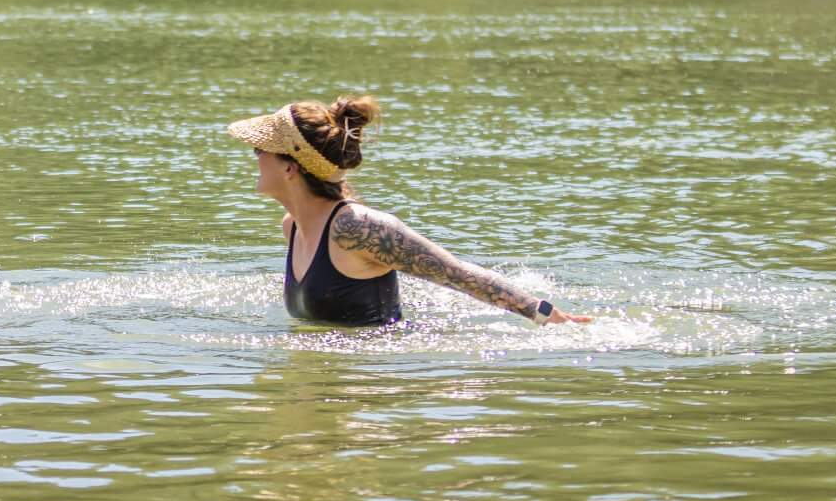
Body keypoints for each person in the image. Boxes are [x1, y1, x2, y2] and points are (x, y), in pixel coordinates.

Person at [227, 94, 589, 327]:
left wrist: (543, 313)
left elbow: (456, 273)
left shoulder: (356, 228)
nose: (255, 157)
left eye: (261, 150)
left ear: (291, 167)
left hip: (377, 385)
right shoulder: (292, 227)